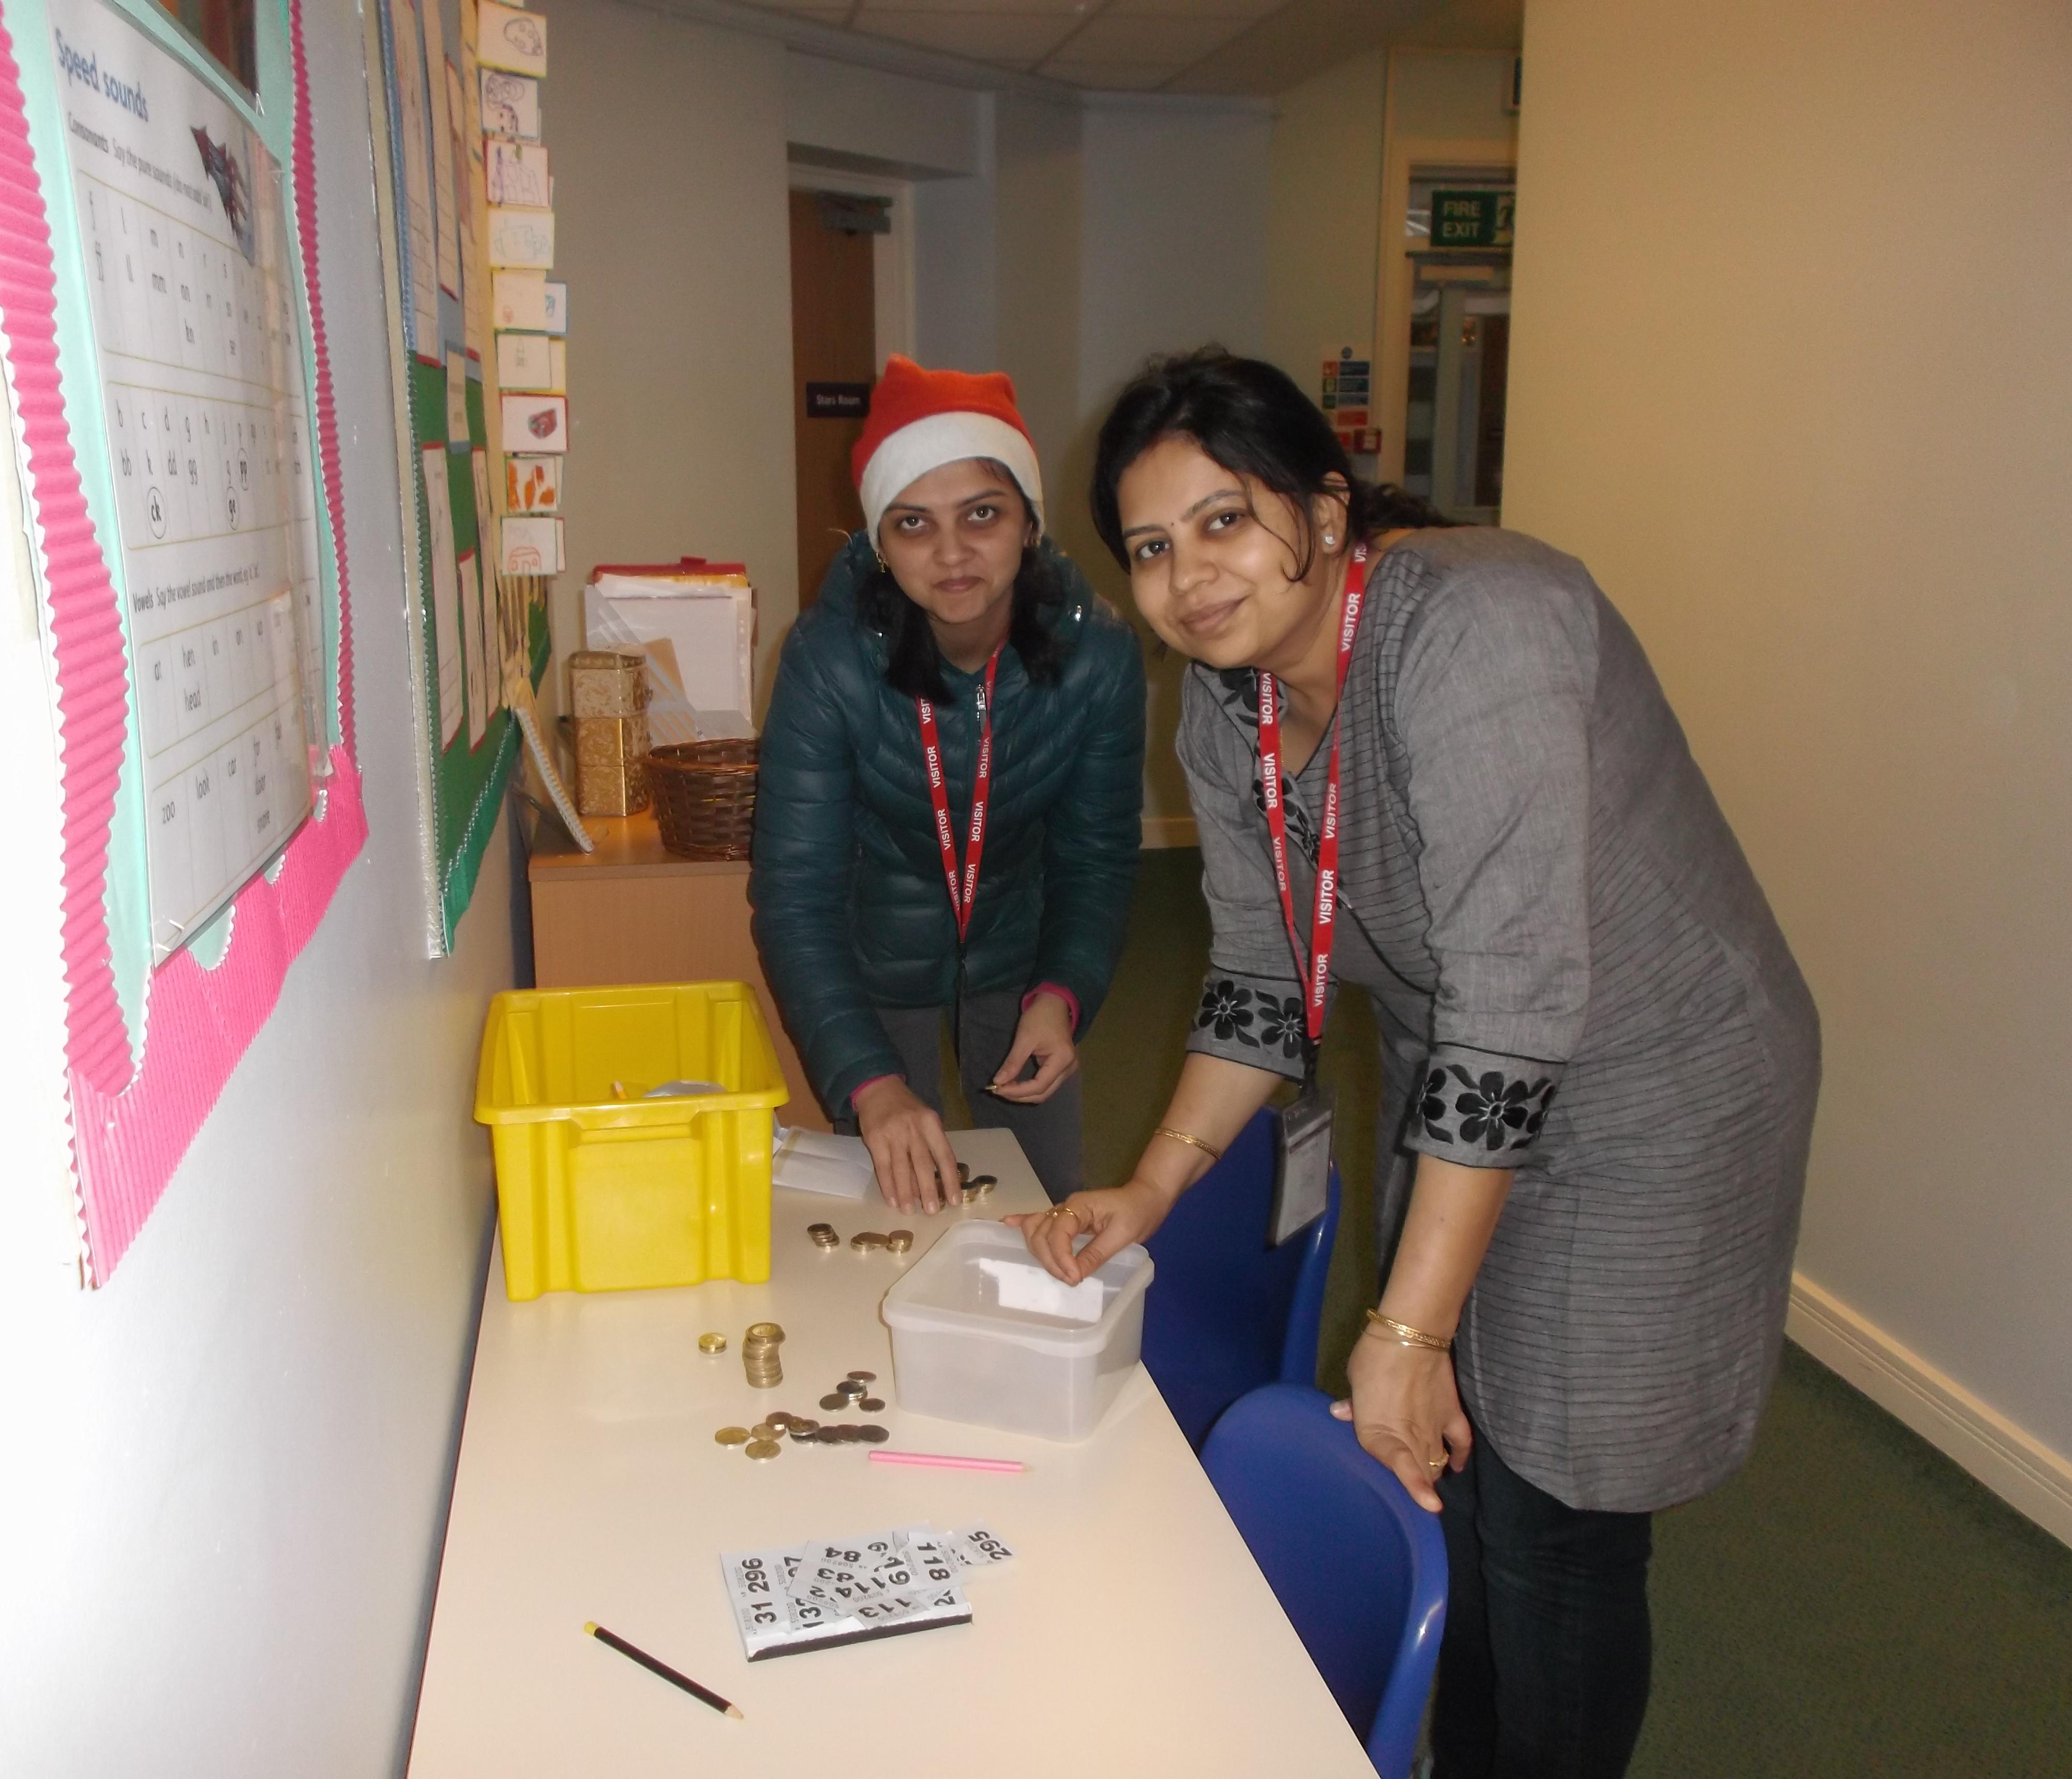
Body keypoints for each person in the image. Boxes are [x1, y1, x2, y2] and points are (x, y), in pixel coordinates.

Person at [1011, 349, 1819, 1778]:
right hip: (1472, 1073)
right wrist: (1154, 1187)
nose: (1188, 575)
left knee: (1555, 1507)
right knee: (1464, 1452)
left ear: (1326, 510)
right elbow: (1264, 976)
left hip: (1655, 1085)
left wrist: (1407, 1329)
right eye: (1150, 546)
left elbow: (1517, 992)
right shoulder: (1227, 704)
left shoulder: (1477, 629)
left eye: (1223, 518)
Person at [752, 356, 1146, 1212]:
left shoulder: (1099, 658)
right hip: (869, 951)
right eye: (912, 524)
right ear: (879, 545)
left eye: (982, 513)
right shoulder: (826, 661)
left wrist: (1064, 993)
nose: (952, 552)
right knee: (888, 1207)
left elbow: (1096, 860)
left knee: (1045, 1207)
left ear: (1030, 522)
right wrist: (870, 1081)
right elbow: (795, 896)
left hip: (1018, 943)